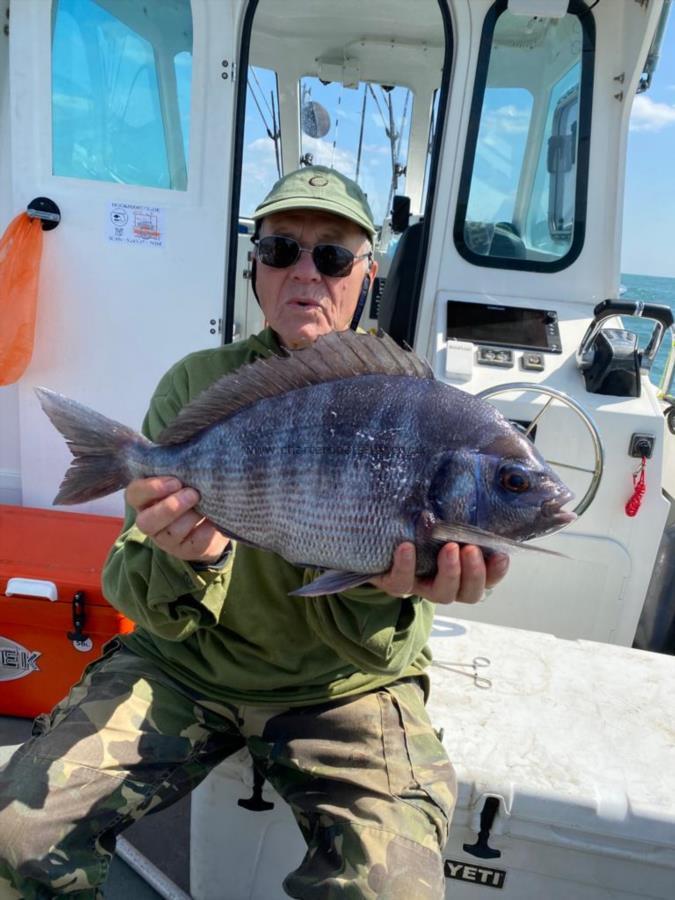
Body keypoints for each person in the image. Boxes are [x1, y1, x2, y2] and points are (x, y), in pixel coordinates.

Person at [0, 166, 509, 899]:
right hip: (186, 673)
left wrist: (381, 589)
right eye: (281, 250)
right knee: (15, 837)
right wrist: (191, 559)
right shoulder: (199, 384)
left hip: (339, 688)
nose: (306, 273)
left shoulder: (414, 403)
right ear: (255, 267)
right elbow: (131, 589)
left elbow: (385, 641)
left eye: (332, 255)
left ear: (367, 273)